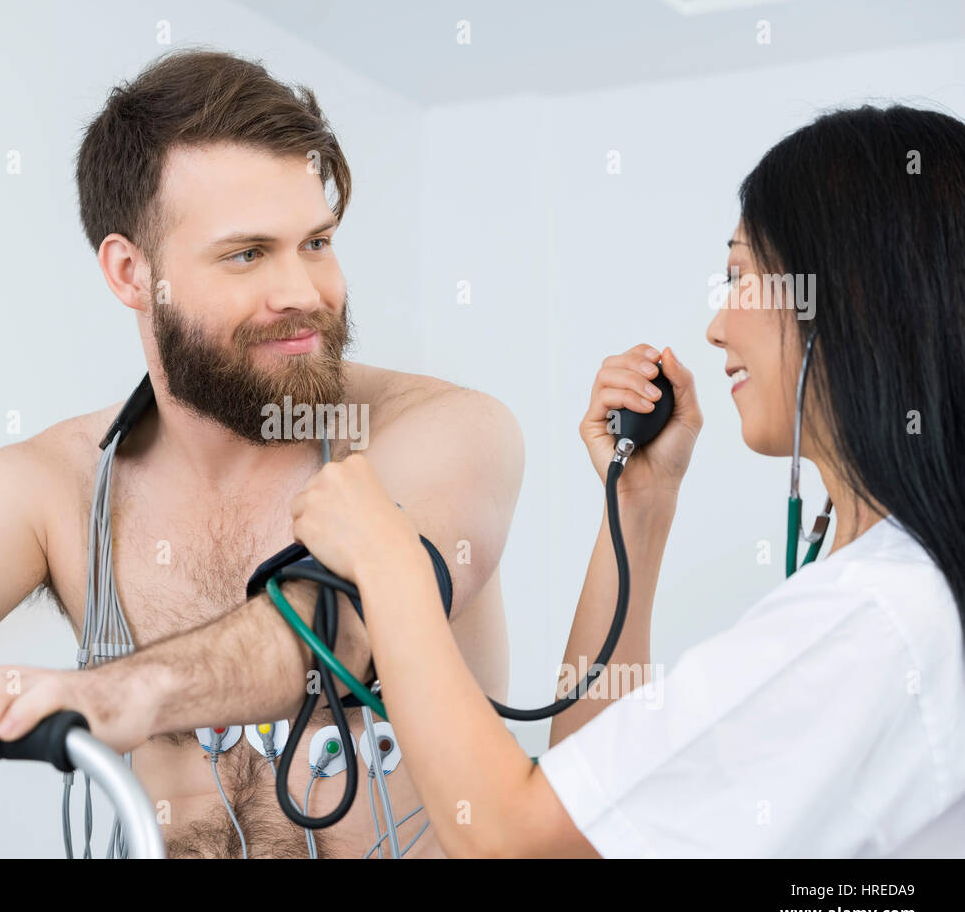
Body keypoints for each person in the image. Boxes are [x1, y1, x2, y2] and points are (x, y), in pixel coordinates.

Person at [0, 48, 525, 858]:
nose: (303, 293)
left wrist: (105, 693)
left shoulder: (442, 433)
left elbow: (334, 616)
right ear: (129, 273)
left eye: (318, 242)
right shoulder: (58, 486)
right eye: (247, 254)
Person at [285, 104, 965, 857]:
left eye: (740, 276)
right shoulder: (895, 594)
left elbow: (520, 842)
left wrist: (388, 563)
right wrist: (637, 514)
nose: (716, 327)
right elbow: (594, 801)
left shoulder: (875, 616)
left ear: (846, 296)